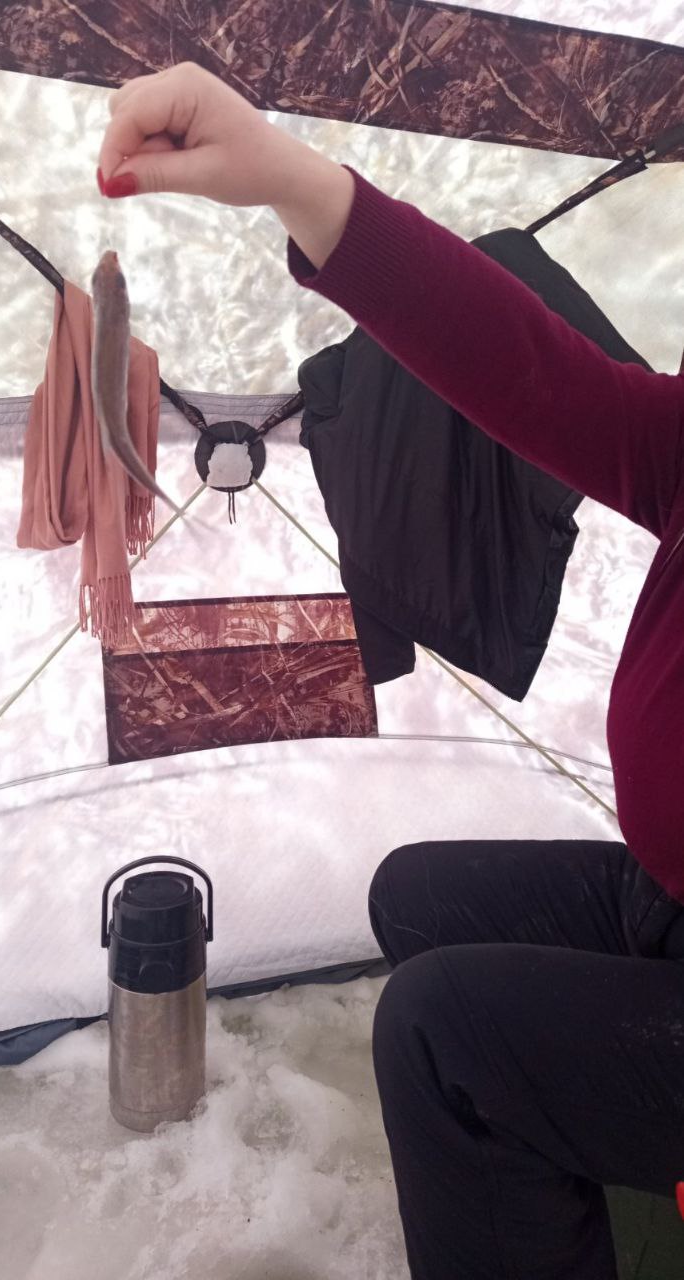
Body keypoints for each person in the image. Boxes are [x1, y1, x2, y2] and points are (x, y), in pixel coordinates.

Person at [97, 62, 684, 1279]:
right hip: (665, 897)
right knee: (417, 896)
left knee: (441, 1034)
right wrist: (289, 178)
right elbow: (538, 374)